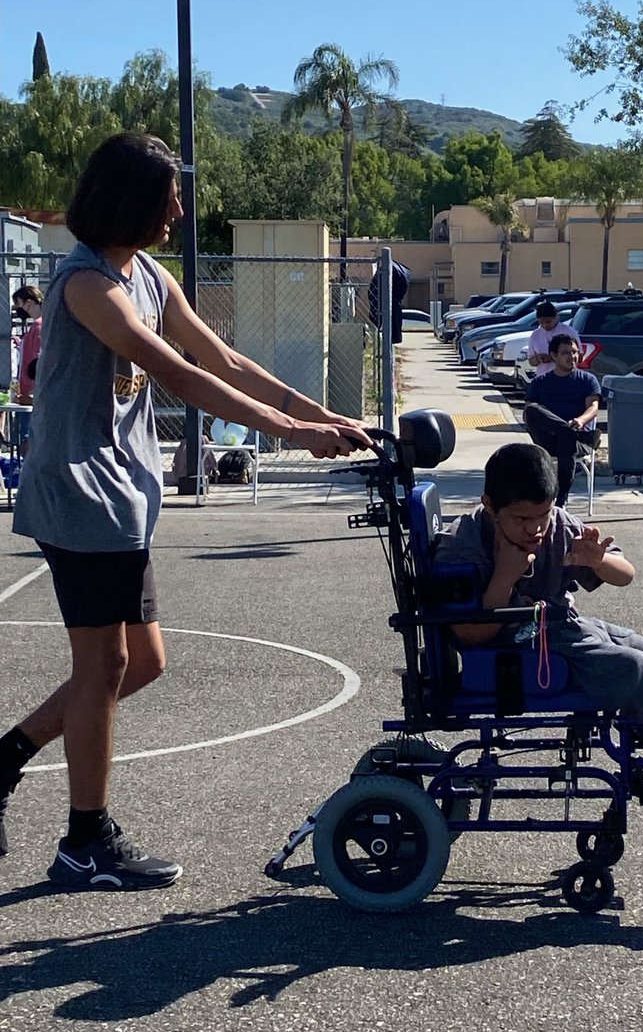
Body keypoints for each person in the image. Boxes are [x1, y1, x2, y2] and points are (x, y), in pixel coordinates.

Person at [0, 132, 371, 889]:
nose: (178, 210)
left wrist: (321, 414)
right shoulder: (86, 285)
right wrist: (291, 434)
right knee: (104, 665)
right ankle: (85, 841)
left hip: (123, 500)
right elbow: (174, 374)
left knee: (142, 663)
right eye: (168, 197)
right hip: (80, 494)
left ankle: (5, 760)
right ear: (128, 200)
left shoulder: (148, 278)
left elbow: (223, 360)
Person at [434, 443, 643, 808]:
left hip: (567, 625)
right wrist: (503, 578)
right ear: (490, 505)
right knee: (635, 669)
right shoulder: (462, 545)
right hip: (519, 647)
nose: (535, 527)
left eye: (544, 514)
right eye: (522, 519)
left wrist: (599, 562)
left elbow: (626, 575)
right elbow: (468, 636)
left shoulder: (557, 524)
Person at [523, 334, 601, 508]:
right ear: (554, 356)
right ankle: (573, 432)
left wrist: (580, 420)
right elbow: (529, 413)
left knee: (567, 440)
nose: (572, 356)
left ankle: (561, 499)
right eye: (566, 352)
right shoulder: (540, 382)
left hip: (575, 442)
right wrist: (567, 427)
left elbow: (593, 407)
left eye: (574, 352)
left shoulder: (587, 380)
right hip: (548, 440)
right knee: (533, 409)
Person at [10, 285, 43, 449]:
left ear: (29, 302)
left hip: (31, 392)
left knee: (28, 441)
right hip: (27, 390)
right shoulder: (36, 327)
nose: (18, 310)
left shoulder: (39, 327)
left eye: (19, 304)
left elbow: (39, 361)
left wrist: (31, 392)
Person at [526, 300, 582, 378]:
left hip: (566, 378)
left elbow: (579, 357)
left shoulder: (569, 332)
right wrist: (538, 358)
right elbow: (531, 361)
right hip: (543, 379)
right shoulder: (535, 335)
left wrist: (553, 358)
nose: (545, 325)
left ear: (556, 317)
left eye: (548, 322)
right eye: (541, 323)